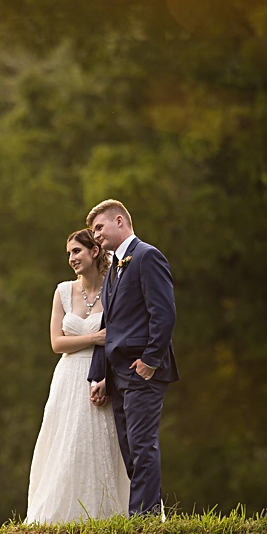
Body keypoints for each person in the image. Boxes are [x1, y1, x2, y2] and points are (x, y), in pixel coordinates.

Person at [25, 229, 130, 524]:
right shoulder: (62, 292)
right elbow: (56, 343)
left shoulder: (115, 288)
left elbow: (122, 338)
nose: (71, 258)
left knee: (98, 443)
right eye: (69, 253)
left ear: (94, 251)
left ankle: (107, 513)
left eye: (76, 251)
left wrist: (110, 375)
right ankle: (60, 516)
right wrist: (94, 338)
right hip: (68, 377)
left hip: (101, 376)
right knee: (65, 444)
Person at [86, 199, 178, 516]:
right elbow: (107, 326)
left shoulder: (147, 257)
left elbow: (164, 314)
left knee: (142, 445)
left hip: (143, 369)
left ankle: (145, 520)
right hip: (118, 373)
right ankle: (148, 515)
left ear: (120, 221)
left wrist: (150, 361)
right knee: (129, 448)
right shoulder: (114, 270)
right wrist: (100, 375)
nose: (95, 234)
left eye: (99, 227)